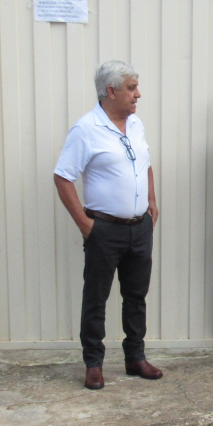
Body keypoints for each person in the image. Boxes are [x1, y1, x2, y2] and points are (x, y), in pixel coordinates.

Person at [54, 60, 162, 390]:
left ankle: (135, 358)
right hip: (105, 230)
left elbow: (144, 164)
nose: (138, 94)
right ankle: (94, 363)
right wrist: (86, 225)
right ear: (111, 91)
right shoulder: (86, 129)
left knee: (136, 296)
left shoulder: (137, 125)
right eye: (131, 88)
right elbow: (63, 176)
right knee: (96, 297)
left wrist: (152, 205)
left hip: (139, 227)